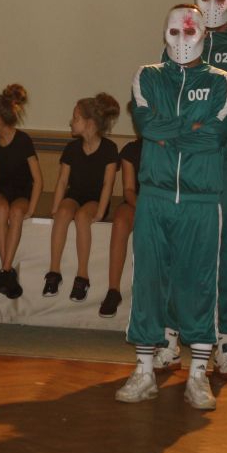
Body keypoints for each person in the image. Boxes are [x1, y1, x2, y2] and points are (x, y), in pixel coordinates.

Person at [115, 5, 227, 411]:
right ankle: (144, 371)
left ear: (204, 34)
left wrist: (171, 129)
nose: (182, 40)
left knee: (199, 282)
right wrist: (190, 126)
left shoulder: (223, 82)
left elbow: (214, 137)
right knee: (148, 280)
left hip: (201, 201)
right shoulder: (146, 76)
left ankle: (198, 376)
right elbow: (148, 126)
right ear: (164, 34)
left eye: (189, 32)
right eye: (174, 32)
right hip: (155, 197)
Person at [154, 0, 227, 382]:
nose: (213, 5)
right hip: (181, 170)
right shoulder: (177, 44)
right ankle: (169, 339)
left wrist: (210, 149)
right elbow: (164, 104)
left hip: (224, 169)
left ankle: (225, 342)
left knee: (225, 256)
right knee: (176, 253)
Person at [44, 93, 120, 303]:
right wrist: (55, 208)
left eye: (75, 118)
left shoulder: (109, 149)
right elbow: (62, 181)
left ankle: (82, 276)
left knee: (82, 217)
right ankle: (54, 271)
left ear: (90, 123)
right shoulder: (72, 149)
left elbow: (108, 184)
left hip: (95, 199)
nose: (71, 121)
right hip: (75, 195)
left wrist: (100, 212)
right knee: (63, 212)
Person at [0, 84, 42, 300]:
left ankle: (5, 271)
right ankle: (7, 271)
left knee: (16, 213)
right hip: (2, 189)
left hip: (21, 191)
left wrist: (32, 208)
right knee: (1, 210)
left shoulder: (23, 140)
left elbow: (38, 179)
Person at [101, 105, 141, 318]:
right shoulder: (130, 151)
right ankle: (113, 290)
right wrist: (143, 207)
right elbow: (129, 190)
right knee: (121, 220)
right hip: (138, 202)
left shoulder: (169, 146)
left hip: (164, 202)